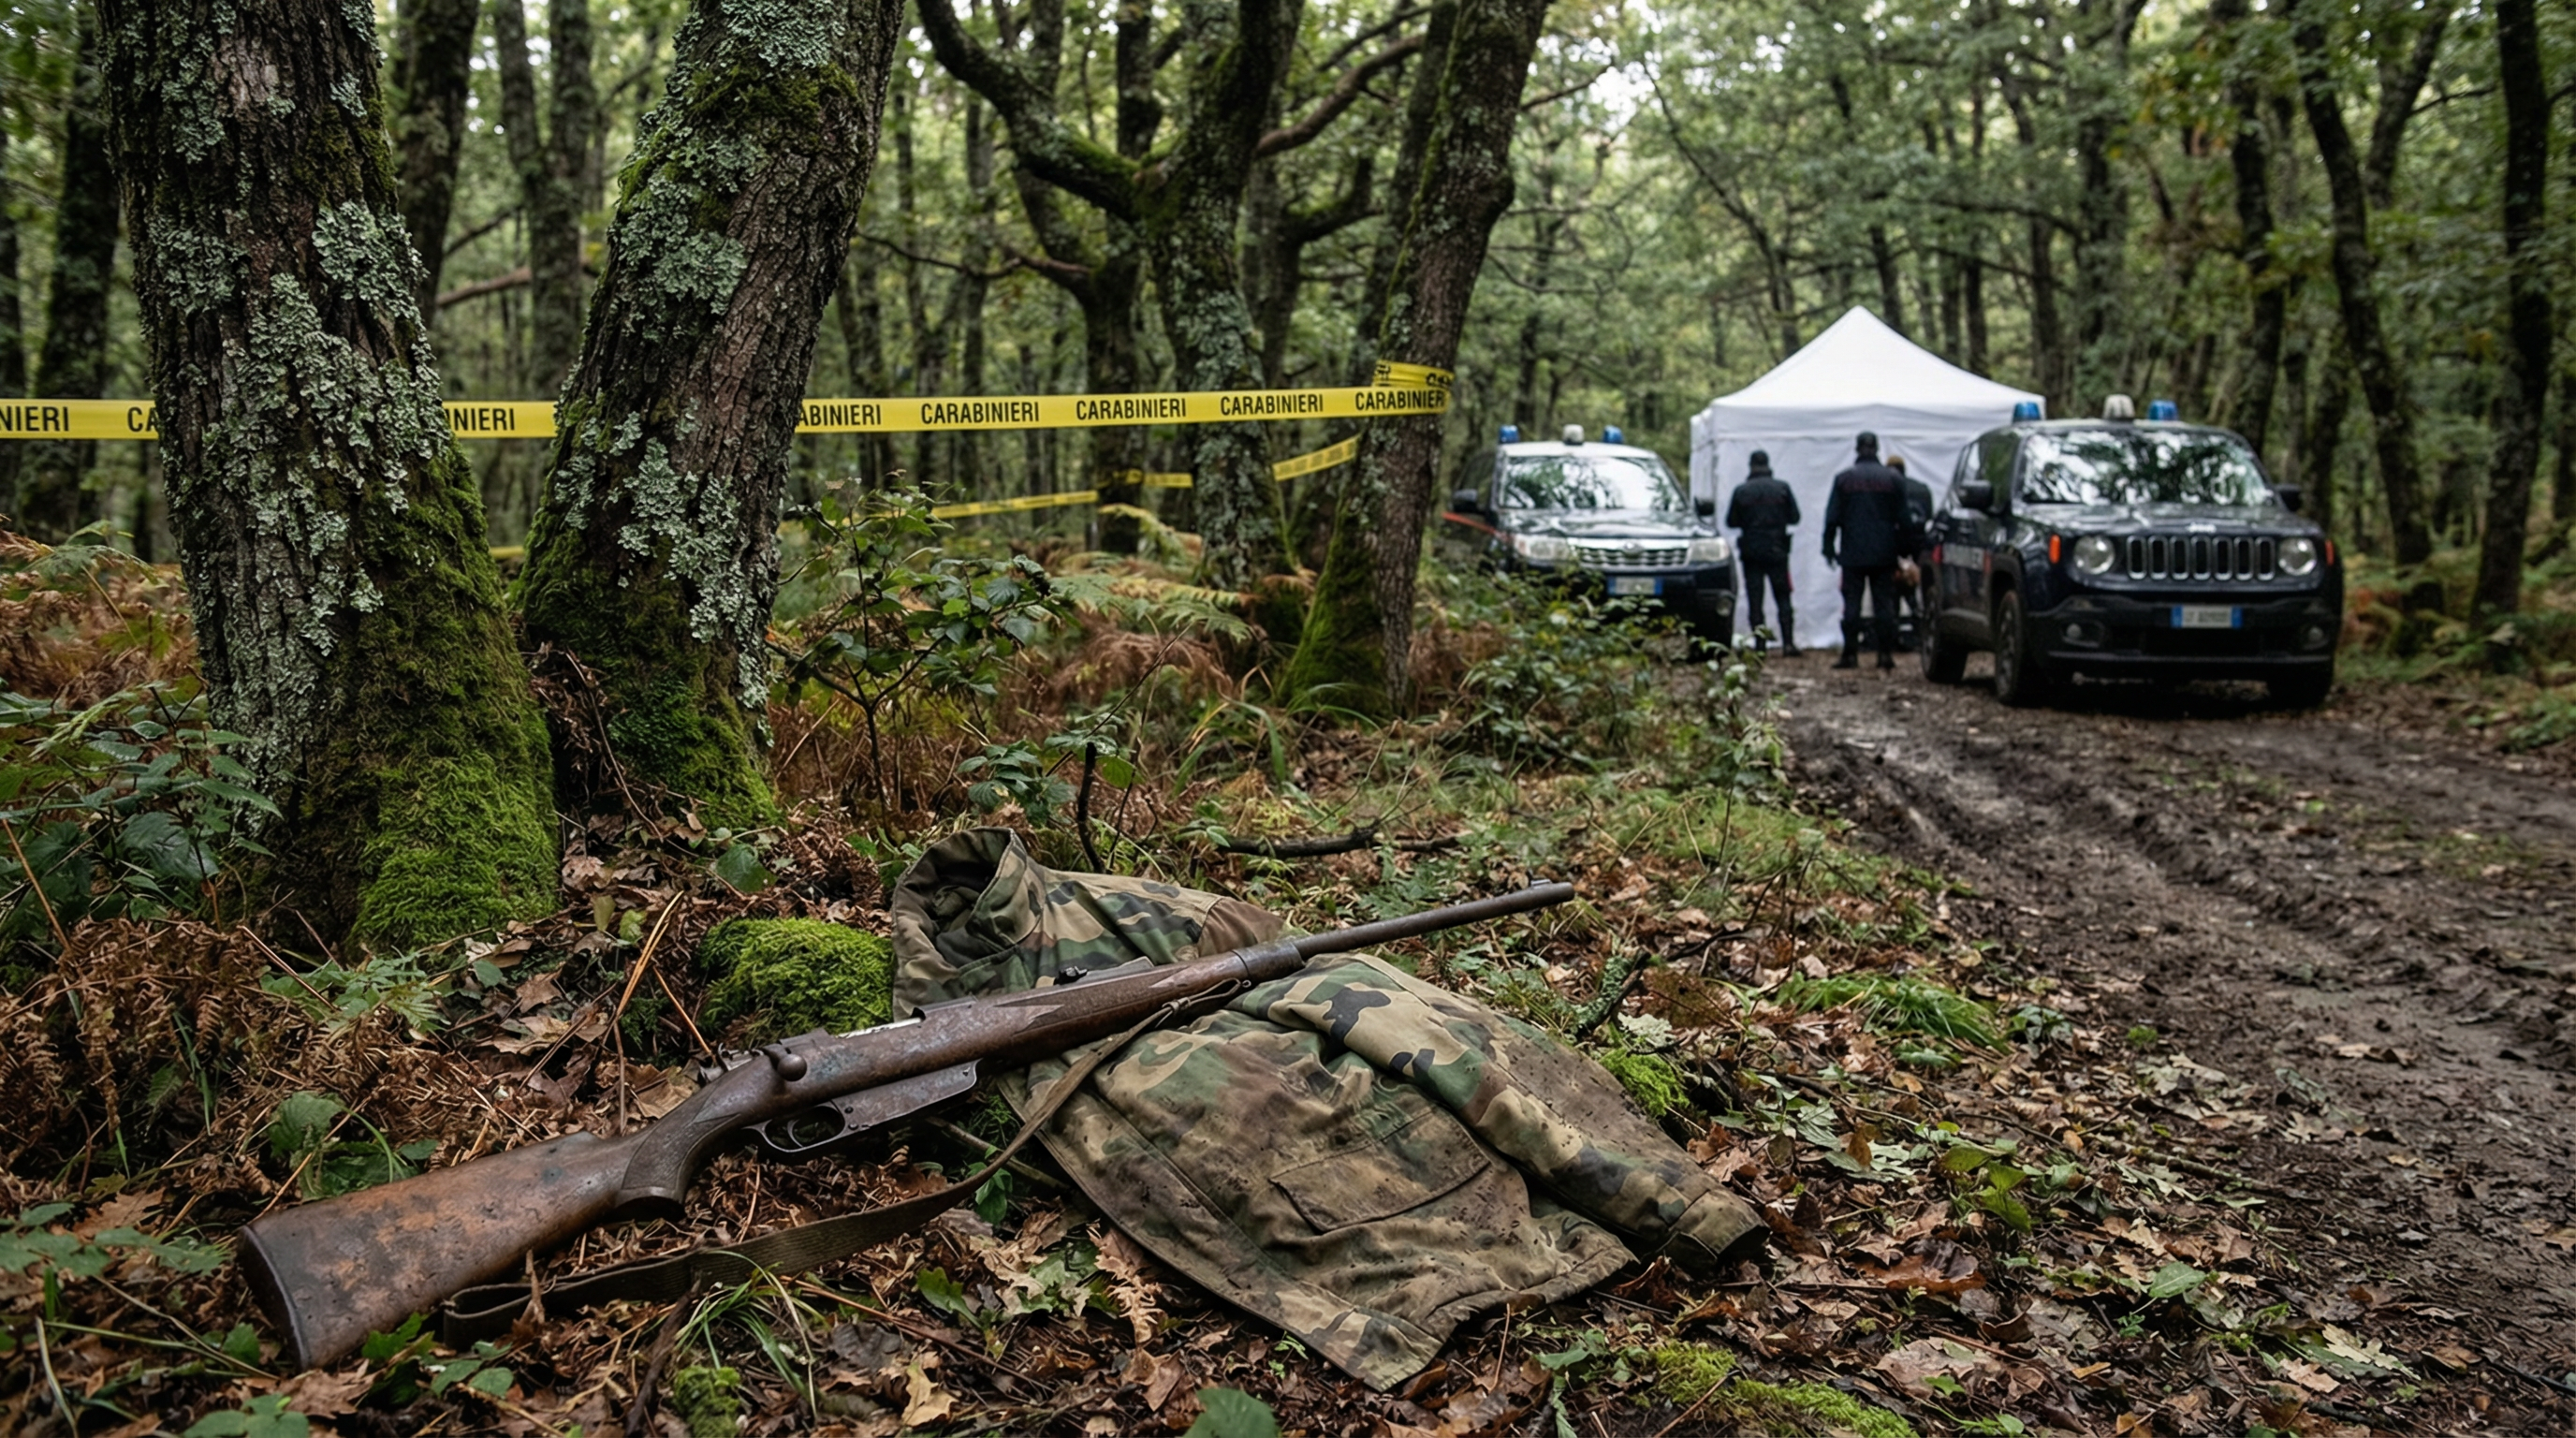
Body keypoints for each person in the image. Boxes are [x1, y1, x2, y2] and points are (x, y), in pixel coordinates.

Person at [1821, 431, 1917, 670]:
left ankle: (1850, 654)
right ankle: (1884, 655)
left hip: (1852, 551)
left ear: (1857, 449)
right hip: (1884, 551)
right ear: (1876, 449)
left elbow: (1832, 518)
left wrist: (1828, 548)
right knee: (1884, 605)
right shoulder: (1893, 479)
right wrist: (1905, 550)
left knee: (1851, 604)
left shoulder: (1844, 479)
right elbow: (1905, 519)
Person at [1724, 449, 1800, 653]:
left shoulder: (1741, 491)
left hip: (1752, 552)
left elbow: (1731, 521)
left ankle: (1760, 645)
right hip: (1777, 550)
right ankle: (1788, 643)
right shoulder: (1782, 488)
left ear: (1751, 466)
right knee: (1783, 596)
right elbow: (1795, 517)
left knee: (1755, 599)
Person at [1888, 455, 1934, 652]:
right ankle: (1921, 633)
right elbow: (1928, 516)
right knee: (1919, 591)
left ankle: (1894, 636)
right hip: (1919, 546)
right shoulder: (1922, 488)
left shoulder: (1889, 488)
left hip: (1895, 544)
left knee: (1893, 593)